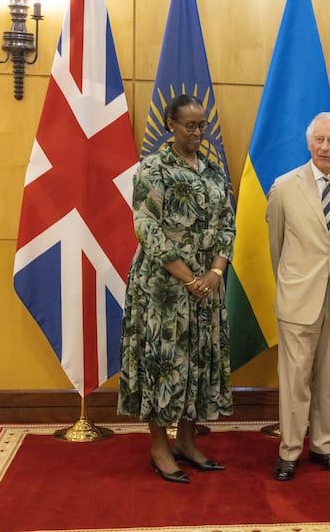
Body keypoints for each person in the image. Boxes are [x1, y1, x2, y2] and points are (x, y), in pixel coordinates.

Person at [118, 94, 235, 484]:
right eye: (190, 125)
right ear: (171, 124)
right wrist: (189, 278)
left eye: (203, 125)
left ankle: (187, 441)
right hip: (162, 289)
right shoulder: (152, 169)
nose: (199, 132)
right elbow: (147, 229)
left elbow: (226, 225)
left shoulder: (214, 171)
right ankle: (158, 447)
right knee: (162, 362)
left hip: (207, 287)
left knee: (198, 364)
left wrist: (215, 274)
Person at [266, 112, 330, 481]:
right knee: (295, 379)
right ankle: (290, 451)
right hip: (298, 296)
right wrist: (294, 282)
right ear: (309, 144)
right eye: (320, 140)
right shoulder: (283, 186)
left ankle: (324, 446)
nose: (327, 147)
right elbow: (276, 246)